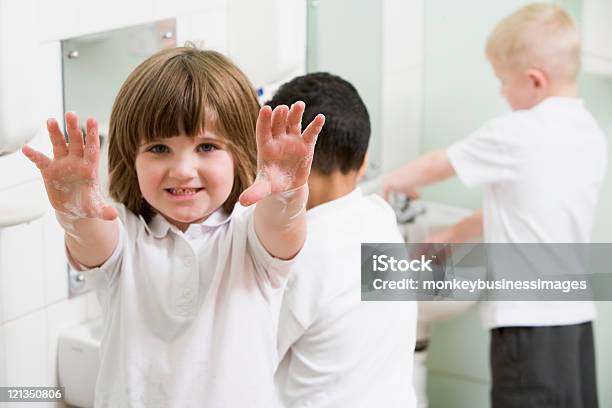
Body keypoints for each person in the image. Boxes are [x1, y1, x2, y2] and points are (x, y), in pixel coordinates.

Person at [22, 47, 325, 408]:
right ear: (129, 157)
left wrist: (288, 193)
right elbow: (90, 237)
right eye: (159, 148)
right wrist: (75, 211)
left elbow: (281, 225)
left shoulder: (249, 237)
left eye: (207, 146)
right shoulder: (125, 235)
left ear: (241, 153)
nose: (182, 169)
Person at [383, 4, 607, 408]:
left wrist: (391, 182)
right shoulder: (588, 132)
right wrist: (452, 235)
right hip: (575, 321)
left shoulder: (516, 132)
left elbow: (438, 164)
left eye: (502, 80)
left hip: (527, 327)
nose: (501, 91)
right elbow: (523, 210)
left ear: (534, 80)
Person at [268, 72, 417, 407]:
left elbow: (246, 363)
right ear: (364, 162)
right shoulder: (380, 219)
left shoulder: (296, 258)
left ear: (284, 159)